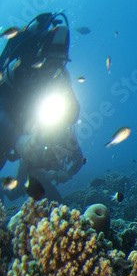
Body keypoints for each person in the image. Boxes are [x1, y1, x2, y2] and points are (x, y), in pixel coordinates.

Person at [0, 12, 84, 201]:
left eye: (59, 63)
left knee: (23, 190)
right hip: (7, 129)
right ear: (39, 56)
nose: (53, 68)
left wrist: (66, 169)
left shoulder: (60, 77)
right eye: (49, 62)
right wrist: (18, 140)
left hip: (34, 129)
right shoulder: (16, 71)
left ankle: (20, 185)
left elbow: (70, 113)